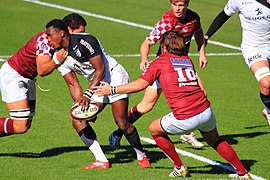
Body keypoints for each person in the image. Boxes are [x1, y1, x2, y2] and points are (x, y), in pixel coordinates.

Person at [94, 30, 251, 179]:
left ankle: (179, 167)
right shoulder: (187, 60)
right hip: (206, 111)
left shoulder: (160, 61)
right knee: (215, 140)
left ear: (163, 47)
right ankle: (243, 173)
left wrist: (112, 89)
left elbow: (141, 84)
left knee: (154, 129)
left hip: (186, 116)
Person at [47, 15, 150, 169]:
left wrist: (88, 95)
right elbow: (73, 84)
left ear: (61, 33)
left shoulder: (85, 41)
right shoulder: (58, 57)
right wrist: (80, 104)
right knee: (78, 120)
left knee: (122, 123)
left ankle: (142, 156)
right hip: (95, 85)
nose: (48, 39)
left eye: (50, 35)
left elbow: (100, 69)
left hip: (114, 77)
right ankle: (102, 160)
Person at [109, 0, 207, 150]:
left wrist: (202, 53)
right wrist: (144, 59)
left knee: (199, 94)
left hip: (183, 66)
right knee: (146, 106)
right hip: (164, 67)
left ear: (187, 3)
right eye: (175, 4)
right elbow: (147, 43)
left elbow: (199, 31)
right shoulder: (167, 21)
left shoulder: (194, 18)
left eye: (181, 5)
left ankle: (188, 132)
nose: (178, 8)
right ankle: (118, 132)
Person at [204, 0, 270, 127]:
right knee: (266, 83)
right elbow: (223, 16)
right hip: (254, 48)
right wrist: (207, 36)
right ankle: (268, 111)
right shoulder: (238, 1)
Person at [0, 22, 68, 137]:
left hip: (29, 78)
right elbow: (42, 70)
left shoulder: (60, 40)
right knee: (20, 125)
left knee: (25, 125)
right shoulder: (45, 41)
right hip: (14, 76)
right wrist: (56, 60)